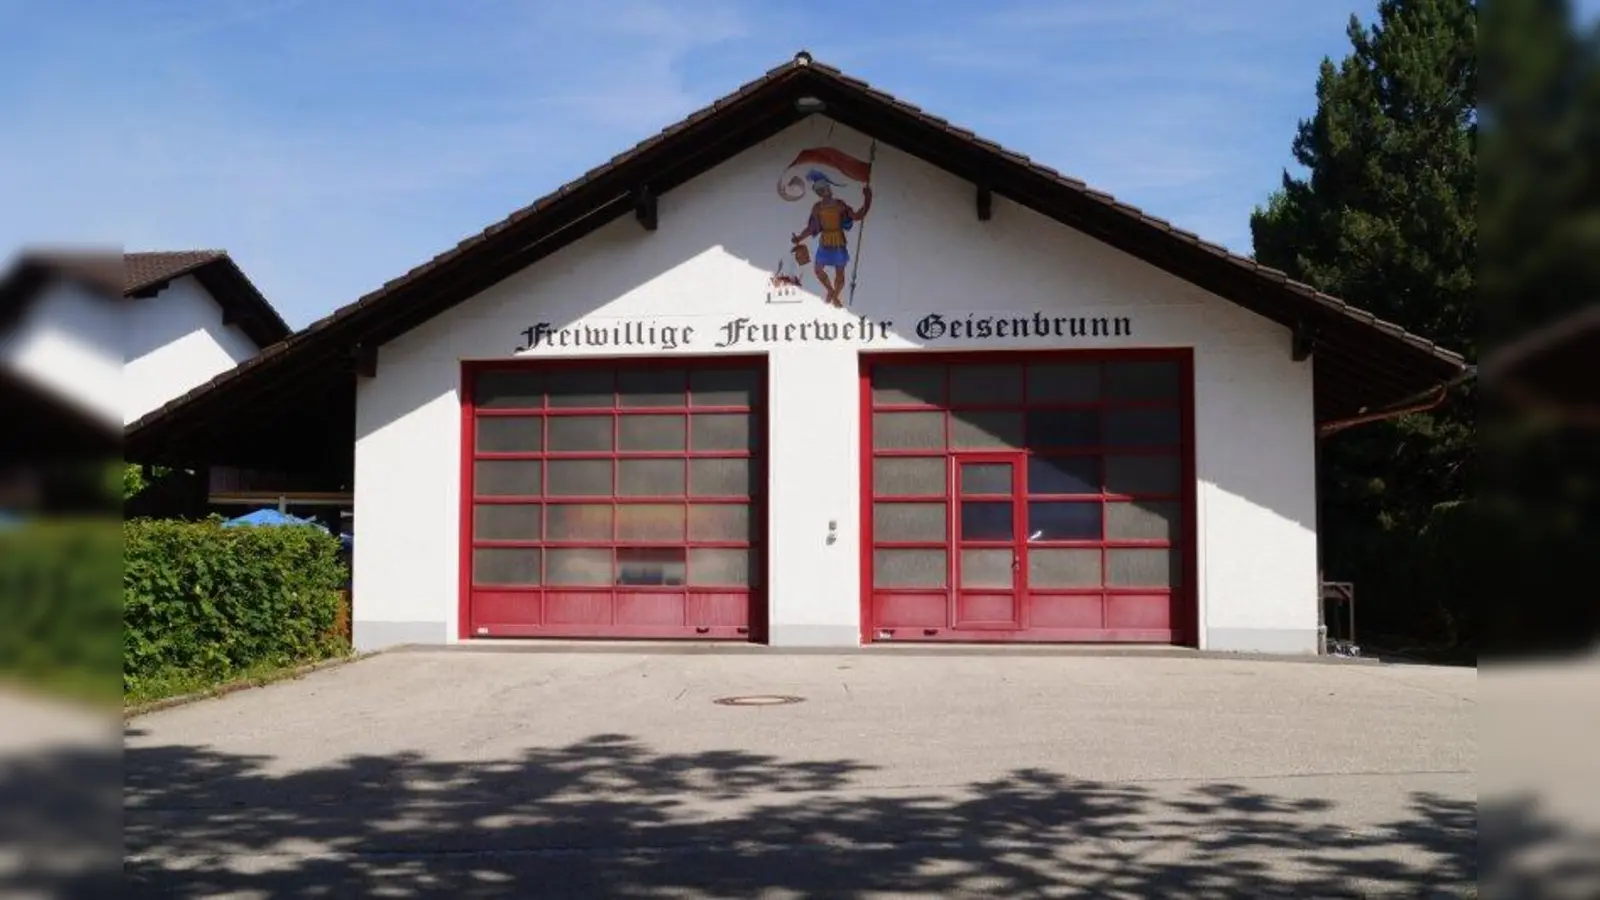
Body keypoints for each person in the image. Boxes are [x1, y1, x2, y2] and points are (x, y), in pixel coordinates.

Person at [791, 171, 873, 307]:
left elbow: (857, 216)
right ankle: (831, 291)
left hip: (838, 242)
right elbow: (811, 227)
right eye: (822, 190)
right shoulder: (817, 208)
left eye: (826, 188)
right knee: (818, 269)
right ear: (819, 192)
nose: (826, 191)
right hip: (825, 242)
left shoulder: (840, 205)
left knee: (839, 273)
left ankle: (835, 296)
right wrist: (800, 237)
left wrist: (867, 200)